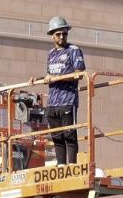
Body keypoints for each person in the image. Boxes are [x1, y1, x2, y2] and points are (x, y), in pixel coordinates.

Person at [29, 16, 86, 166]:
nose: (62, 36)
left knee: (69, 135)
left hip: (68, 100)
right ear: (52, 35)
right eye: (58, 34)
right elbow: (50, 76)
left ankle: (72, 165)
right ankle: (61, 165)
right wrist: (38, 79)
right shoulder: (51, 54)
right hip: (53, 102)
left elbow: (79, 74)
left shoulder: (74, 50)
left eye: (64, 33)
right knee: (57, 137)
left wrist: (56, 78)